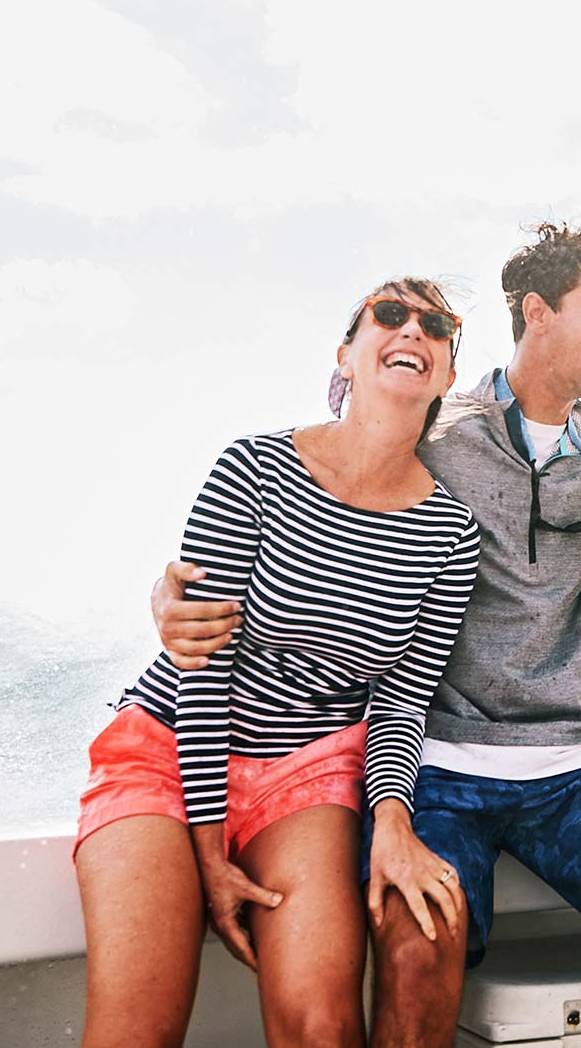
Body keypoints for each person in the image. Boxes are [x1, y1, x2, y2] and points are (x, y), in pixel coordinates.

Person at [152, 220, 581, 1048]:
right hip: (435, 763)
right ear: (538, 313)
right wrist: (172, 596)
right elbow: (320, 501)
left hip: (572, 765)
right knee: (411, 966)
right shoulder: (434, 431)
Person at [73, 278, 482, 1048]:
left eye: (437, 326)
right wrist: (208, 850)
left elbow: (401, 701)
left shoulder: (452, 535)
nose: (412, 331)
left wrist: (391, 818)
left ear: (449, 374)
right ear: (347, 355)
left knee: (324, 1029)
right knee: (134, 1035)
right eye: (389, 316)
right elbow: (203, 662)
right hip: (167, 750)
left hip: (305, 773)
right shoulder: (252, 469)